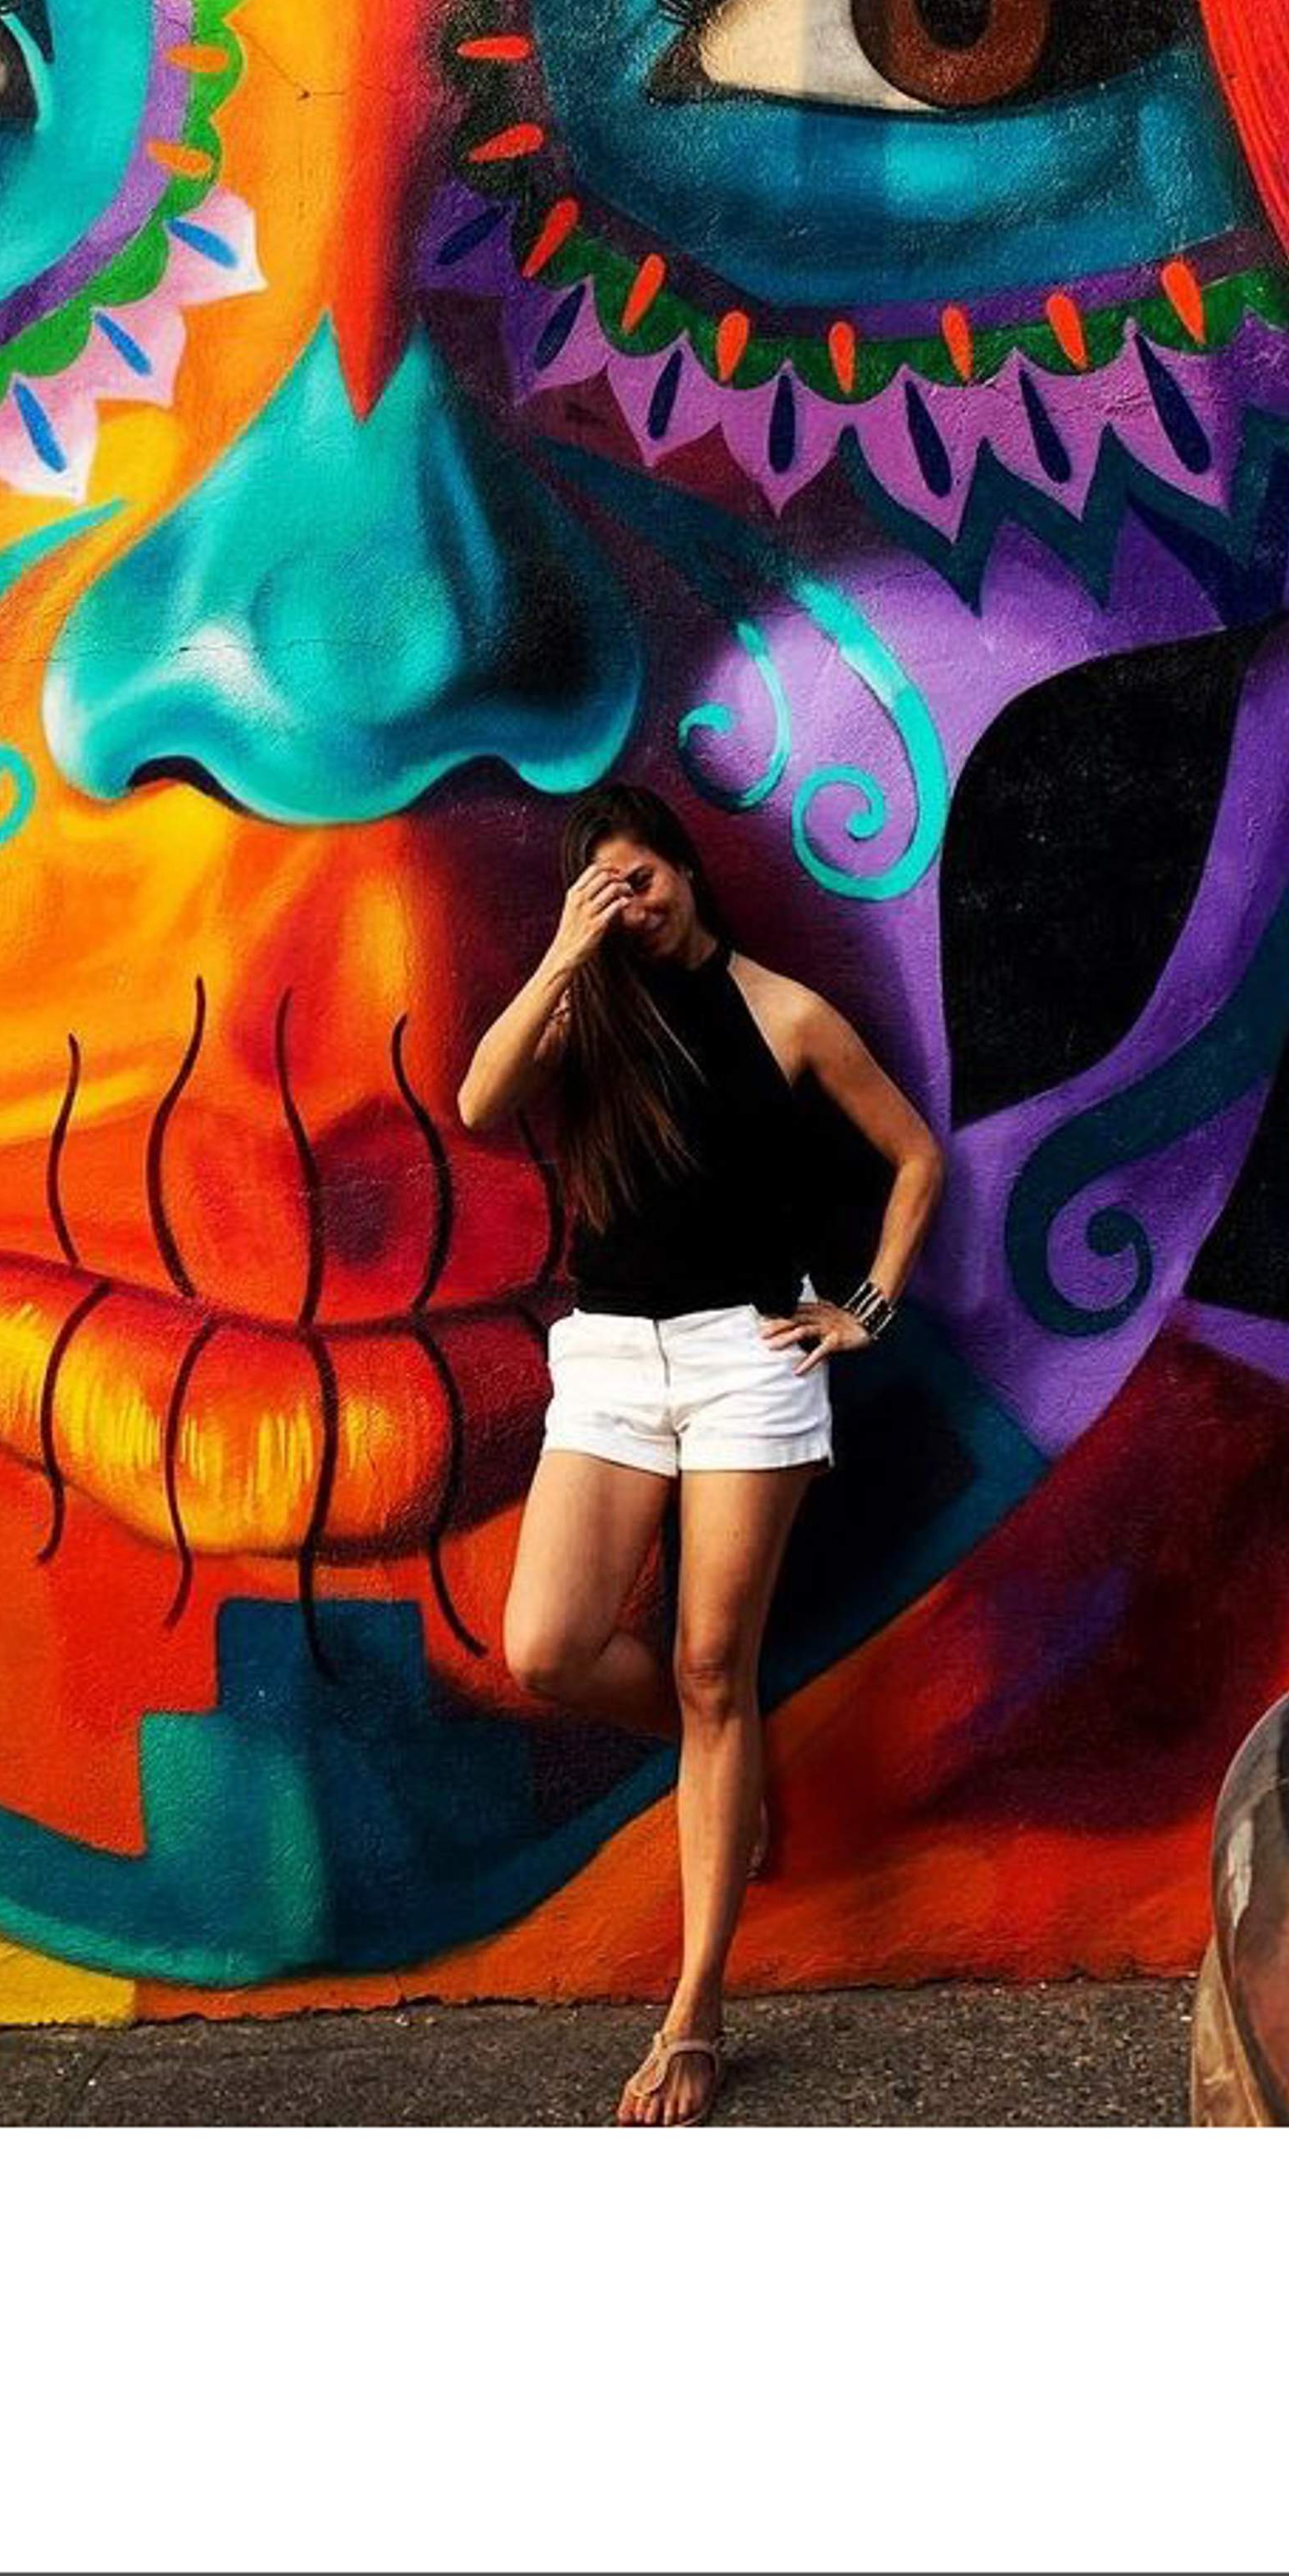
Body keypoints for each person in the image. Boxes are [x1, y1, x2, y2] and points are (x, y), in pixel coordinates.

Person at [460, 783, 945, 2123]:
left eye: (646, 876)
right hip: (610, 1363)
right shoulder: (582, 1009)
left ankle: (697, 2011)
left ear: (687, 866)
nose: (636, 902)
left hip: (751, 1361)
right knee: (549, 1645)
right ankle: (722, 1762)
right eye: (607, 885)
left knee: (712, 1661)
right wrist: (564, 948)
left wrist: (871, 1302)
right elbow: (477, 1100)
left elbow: (913, 1154)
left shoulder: (786, 1009)